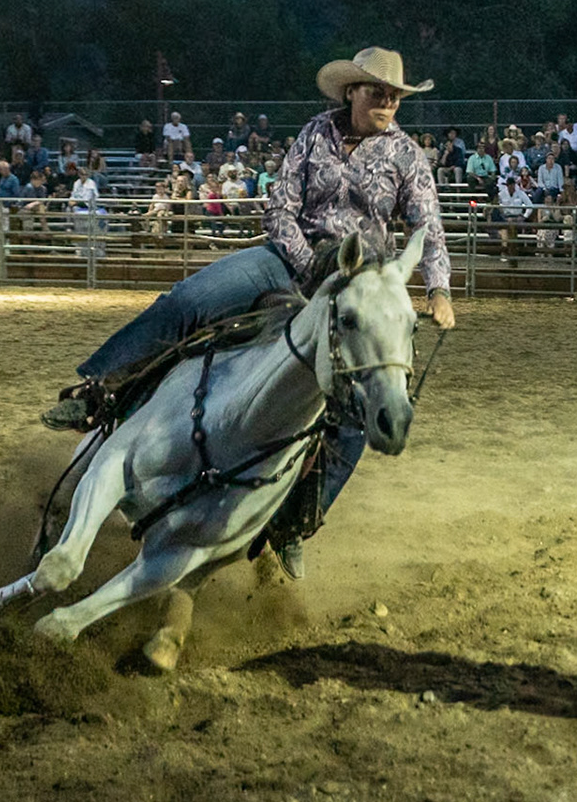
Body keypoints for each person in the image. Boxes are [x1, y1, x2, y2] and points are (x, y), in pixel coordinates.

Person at [38, 47, 453, 578]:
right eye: (378, 92)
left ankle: (294, 523)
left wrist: (438, 289)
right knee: (191, 300)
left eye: (395, 96)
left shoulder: (406, 156)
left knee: (354, 410)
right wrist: (307, 266)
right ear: (352, 92)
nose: (388, 102)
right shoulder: (314, 134)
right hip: (287, 260)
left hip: (354, 288)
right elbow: (280, 206)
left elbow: (427, 227)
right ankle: (101, 389)